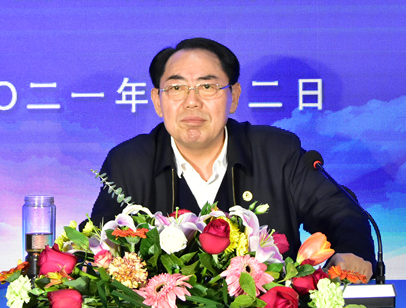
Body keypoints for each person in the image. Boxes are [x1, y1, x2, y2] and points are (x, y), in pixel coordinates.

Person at [89, 37, 376, 280]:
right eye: (176, 88)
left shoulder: (277, 152)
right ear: (157, 101)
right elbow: (97, 247)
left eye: (207, 87)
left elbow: (341, 214)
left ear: (234, 96)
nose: (192, 101)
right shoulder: (128, 162)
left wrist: (350, 253)